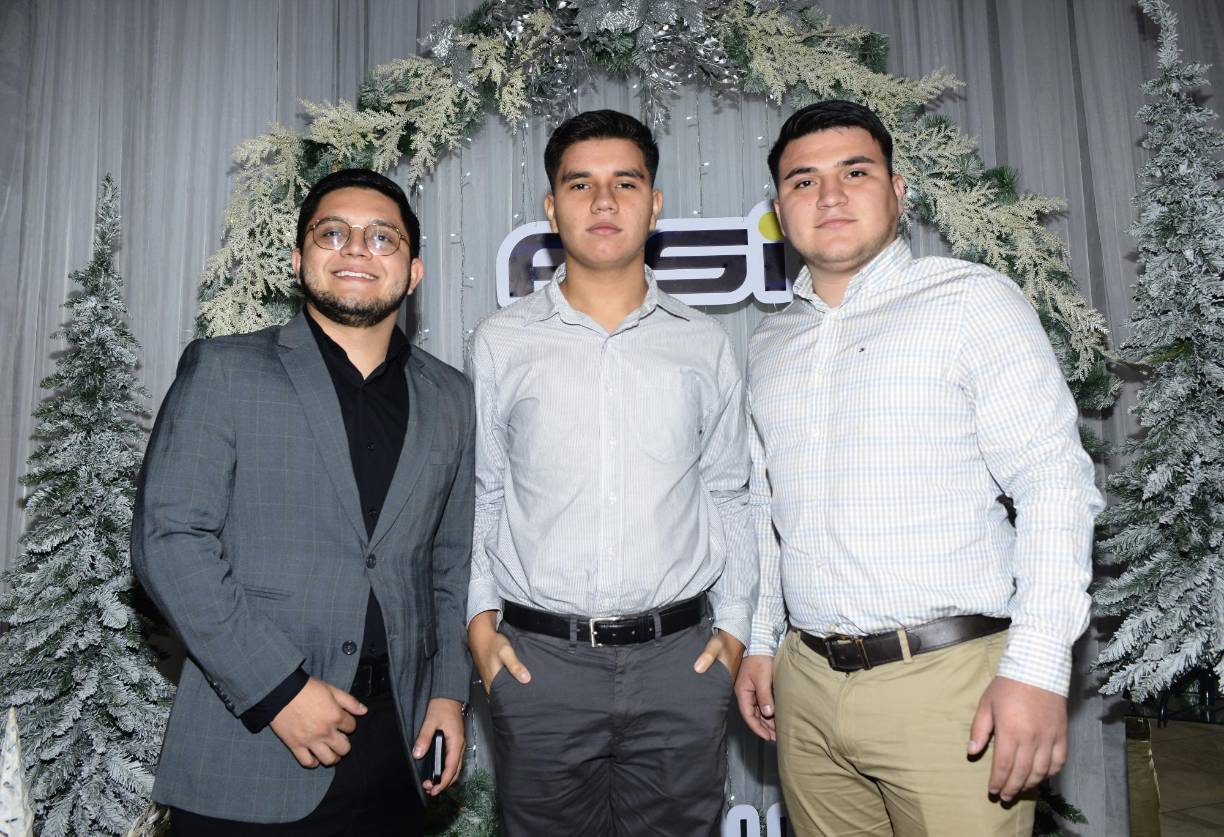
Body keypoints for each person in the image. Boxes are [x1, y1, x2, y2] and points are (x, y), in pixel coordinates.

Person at [733, 101, 1104, 836]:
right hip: (806, 691)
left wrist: (1036, 668)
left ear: (897, 191)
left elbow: (1053, 482)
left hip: (951, 686)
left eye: (855, 173)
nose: (829, 195)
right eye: (803, 181)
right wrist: (762, 642)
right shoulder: (770, 344)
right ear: (779, 211)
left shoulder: (970, 301)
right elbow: (767, 511)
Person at [132, 168, 474, 836]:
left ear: (414, 272)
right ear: (298, 260)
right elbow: (169, 540)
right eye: (332, 233)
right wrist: (279, 690)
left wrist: (447, 692)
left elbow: (449, 561)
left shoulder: (451, 396)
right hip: (252, 745)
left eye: (383, 237)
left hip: (398, 749)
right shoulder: (225, 369)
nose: (357, 248)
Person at [465, 109, 755, 837]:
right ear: (551, 207)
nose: (603, 201)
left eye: (625, 183)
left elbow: (728, 493)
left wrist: (736, 632)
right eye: (580, 184)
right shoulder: (501, 342)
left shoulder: (703, 343)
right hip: (538, 666)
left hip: (681, 667)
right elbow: (484, 493)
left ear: (654, 205)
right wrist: (480, 629)